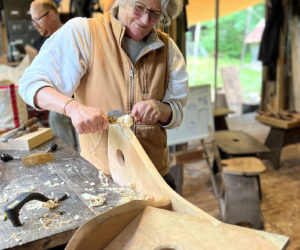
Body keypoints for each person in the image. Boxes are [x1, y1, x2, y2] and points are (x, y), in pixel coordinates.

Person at [19, 0, 188, 190]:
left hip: (154, 176)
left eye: (156, 14)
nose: (146, 20)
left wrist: (161, 109)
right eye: (139, 8)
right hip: (103, 179)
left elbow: (177, 111)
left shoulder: (167, 48)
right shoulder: (84, 33)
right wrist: (72, 107)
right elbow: (30, 84)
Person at [30, 0, 79, 150]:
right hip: (60, 105)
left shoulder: (72, 35)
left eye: (37, 19)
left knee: (85, 151)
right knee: (66, 149)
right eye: (33, 21)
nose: (35, 25)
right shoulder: (42, 43)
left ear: (51, 14)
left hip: (79, 102)